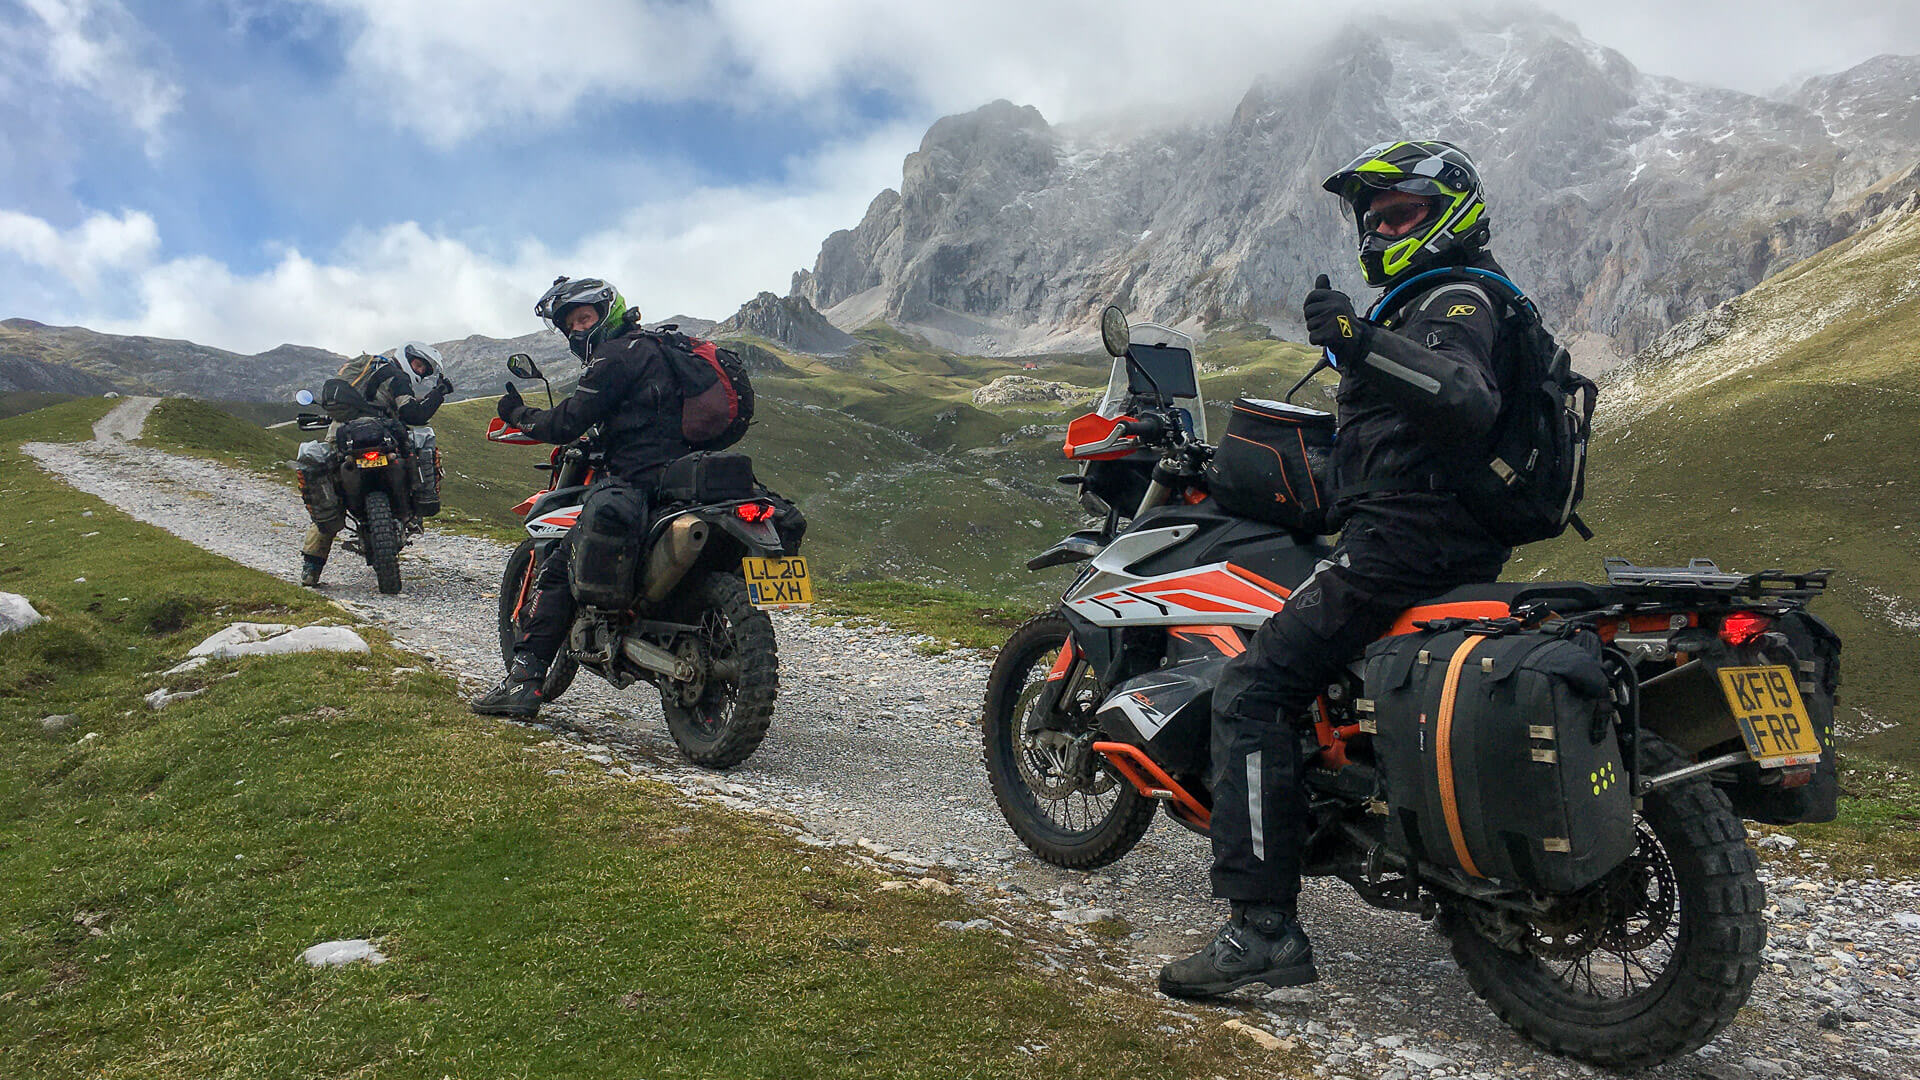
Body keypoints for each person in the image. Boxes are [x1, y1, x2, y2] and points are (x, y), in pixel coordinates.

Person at [1160, 140, 1517, 998]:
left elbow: (1465, 399)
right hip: (1439, 539)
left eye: (1403, 211)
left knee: (1251, 690)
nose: (1384, 226)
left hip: (1400, 546)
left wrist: (1359, 343)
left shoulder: (1458, 298)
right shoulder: (1438, 301)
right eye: (1376, 215)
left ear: (1450, 211)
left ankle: (1262, 928)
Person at [470, 276, 703, 719]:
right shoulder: (665, 350)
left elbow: (565, 424)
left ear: (608, 313)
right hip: (686, 478)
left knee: (560, 568)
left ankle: (524, 681)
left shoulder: (616, 355)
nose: (578, 330)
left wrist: (516, 413)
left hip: (638, 478)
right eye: (570, 325)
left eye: (584, 319)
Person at [300, 342, 453, 586]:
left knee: (331, 489)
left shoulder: (365, 369)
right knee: (414, 455)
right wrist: (439, 394)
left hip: (342, 433)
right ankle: (412, 515)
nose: (420, 370)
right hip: (382, 435)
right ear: (406, 357)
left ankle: (311, 567)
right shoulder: (397, 377)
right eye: (418, 364)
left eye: (424, 368)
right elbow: (414, 415)